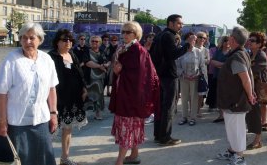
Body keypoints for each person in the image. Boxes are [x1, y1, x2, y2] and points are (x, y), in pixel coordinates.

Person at [0, 22, 58, 165]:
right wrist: (2, 122)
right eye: (23, 38)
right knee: (17, 160)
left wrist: (53, 113)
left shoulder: (47, 59)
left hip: (40, 120)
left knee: (42, 158)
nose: (27, 41)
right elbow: (1, 93)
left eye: (31, 38)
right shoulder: (11, 60)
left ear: (40, 40)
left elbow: (52, 88)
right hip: (15, 121)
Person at [108, 21, 160, 165]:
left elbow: (141, 76)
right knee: (133, 126)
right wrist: (118, 72)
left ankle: (119, 161)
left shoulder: (137, 50)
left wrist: (120, 71)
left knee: (128, 127)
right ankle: (134, 154)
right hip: (126, 94)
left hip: (131, 97)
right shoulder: (126, 48)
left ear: (136, 34)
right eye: (123, 31)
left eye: (128, 32)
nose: (124, 34)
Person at [150, 14, 195, 146]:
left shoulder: (159, 36)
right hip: (168, 76)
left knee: (161, 107)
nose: (181, 26)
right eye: (179, 23)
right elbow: (173, 54)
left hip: (160, 75)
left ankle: (159, 135)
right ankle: (165, 137)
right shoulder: (168, 36)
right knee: (169, 107)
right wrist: (188, 45)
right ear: (171, 23)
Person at [216, 27, 256, 165]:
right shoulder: (239, 53)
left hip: (236, 101)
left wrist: (250, 95)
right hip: (232, 100)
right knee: (231, 127)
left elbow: (245, 78)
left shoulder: (238, 56)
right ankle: (232, 151)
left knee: (237, 129)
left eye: (230, 37)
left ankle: (239, 157)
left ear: (233, 40)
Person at [48, 29, 88, 165]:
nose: (68, 42)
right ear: (57, 42)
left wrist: (84, 88)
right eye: (65, 40)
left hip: (73, 98)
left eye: (70, 40)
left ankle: (64, 158)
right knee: (50, 131)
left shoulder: (72, 54)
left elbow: (80, 73)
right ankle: (45, 159)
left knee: (68, 128)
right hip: (57, 99)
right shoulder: (51, 57)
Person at [177, 32, 208, 126]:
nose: (192, 41)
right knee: (184, 98)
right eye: (190, 39)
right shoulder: (181, 51)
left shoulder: (198, 52)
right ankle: (184, 117)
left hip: (195, 78)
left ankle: (193, 118)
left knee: (194, 98)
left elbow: (202, 65)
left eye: (194, 39)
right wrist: (183, 74)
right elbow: (177, 65)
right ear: (186, 40)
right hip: (184, 78)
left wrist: (198, 75)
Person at [245, 32, 267, 150]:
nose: (249, 41)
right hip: (252, 88)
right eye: (249, 40)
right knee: (252, 113)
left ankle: (258, 140)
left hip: (258, 88)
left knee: (256, 114)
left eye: (252, 40)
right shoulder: (250, 53)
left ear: (259, 44)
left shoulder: (261, 55)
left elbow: (254, 71)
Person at [83, 36, 111, 120]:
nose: (94, 43)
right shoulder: (86, 51)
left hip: (100, 78)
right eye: (93, 41)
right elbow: (87, 63)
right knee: (87, 95)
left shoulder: (102, 51)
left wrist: (107, 64)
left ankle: (98, 113)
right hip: (89, 77)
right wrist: (100, 66)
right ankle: (84, 115)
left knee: (99, 96)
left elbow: (108, 60)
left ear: (100, 42)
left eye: (96, 41)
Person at [207, 36, 230, 122]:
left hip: (228, 79)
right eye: (225, 41)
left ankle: (228, 116)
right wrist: (224, 65)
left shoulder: (232, 52)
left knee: (227, 97)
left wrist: (220, 64)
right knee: (219, 96)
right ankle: (221, 115)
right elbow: (212, 62)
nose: (227, 43)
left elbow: (231, 64)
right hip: (218, 77)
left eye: (228, 41)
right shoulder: (218, 52)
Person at [195, 31, 210, 117]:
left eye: (204, 38)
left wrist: (199, 60)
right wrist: (203, 60)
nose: (202, 39)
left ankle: (198, 110)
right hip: (192, 74)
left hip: (203, 74)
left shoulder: (206, 50)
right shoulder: (192, 48)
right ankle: (193, 109)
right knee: (192, 93)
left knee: (201, 93)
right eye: (200, 37)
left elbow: (208, 61)